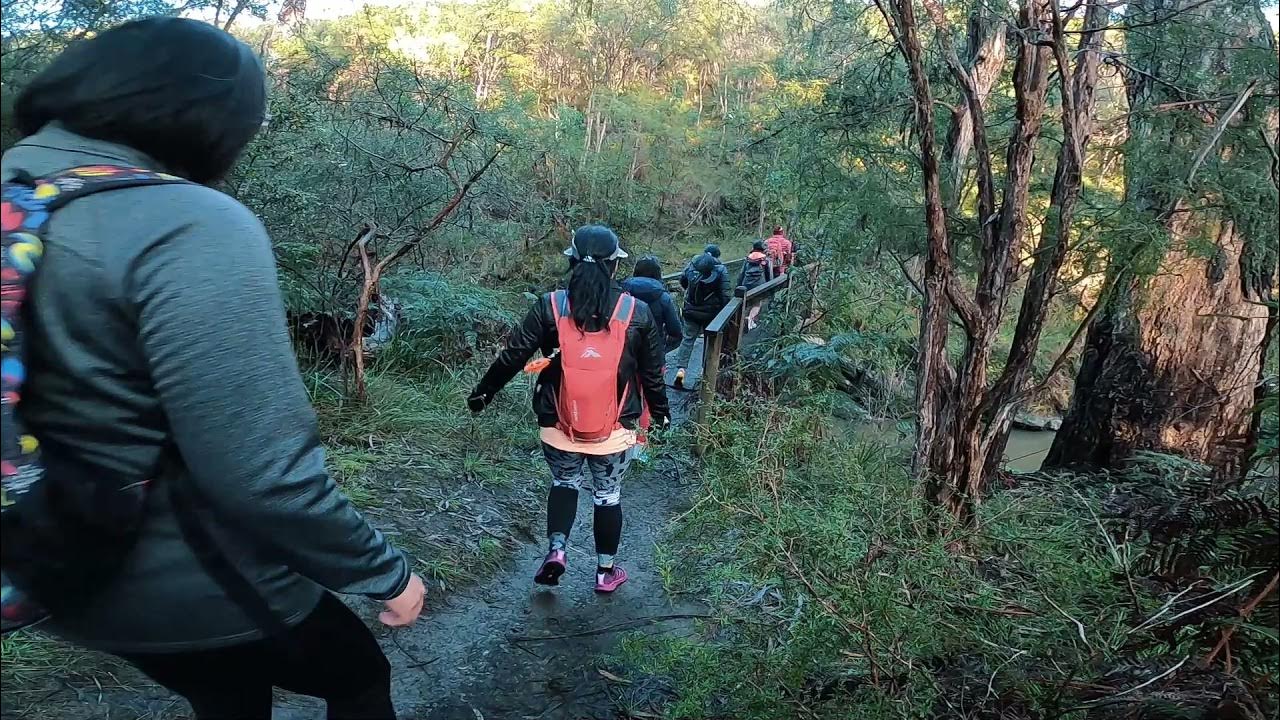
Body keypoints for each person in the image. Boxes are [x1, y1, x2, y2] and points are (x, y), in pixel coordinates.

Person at [1, 18, 423, 720]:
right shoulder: (186, 222)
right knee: (355, 674)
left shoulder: (24, 188)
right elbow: (262, 473)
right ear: (211, 117)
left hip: (42, 558)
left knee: (225, 690)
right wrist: (384, 572)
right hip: (179, 572)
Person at [467, 226, 669, 594]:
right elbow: (652, 374)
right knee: (607, 495)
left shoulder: (551, 305)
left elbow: (514, 355)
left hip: (557, 423)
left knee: (564, 483)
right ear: (614, 266)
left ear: (572, 261)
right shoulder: (634, 311)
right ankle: (605, 573)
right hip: (616, 428)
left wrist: (484, 393)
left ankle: (557, 552)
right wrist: (662, 414)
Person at [672, 253, 731, 388]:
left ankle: (681, 371)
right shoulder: (720, 271)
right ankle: (705, 374)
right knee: (709, 342)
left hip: (691, 311)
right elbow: (725, 295)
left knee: (687, 340)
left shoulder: (692, 267)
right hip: (711, 314)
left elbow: (683, 282)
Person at [622, 255, 682, 356]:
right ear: (658, 273)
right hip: (653, 348)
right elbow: (675, 331)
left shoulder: (621, 291)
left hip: (623, 347)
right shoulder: (663, 297)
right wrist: (662, 347)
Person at [738, 241, 770, 331]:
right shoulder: (765, 259)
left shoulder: (748, 258)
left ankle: (744, 322)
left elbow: (742, 273)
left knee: (746, 304)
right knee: (757, 304)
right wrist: (769, 285)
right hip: (759, 284)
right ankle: (750, 319)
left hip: (746, 284)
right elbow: (768, 274)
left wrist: (739, 284)